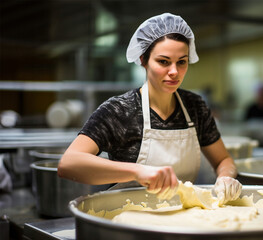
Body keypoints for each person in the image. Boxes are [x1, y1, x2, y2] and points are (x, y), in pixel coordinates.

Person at [58, 13, 241, 203]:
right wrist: (138, 171)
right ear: (143, 60)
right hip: (130, 219)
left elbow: (223, 160)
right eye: (163, 61)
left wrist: (225, 176)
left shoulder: (194, 106)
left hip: (184, 219)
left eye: (181, 62)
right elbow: (69, 163)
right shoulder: (120, 110)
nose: (174, 72)